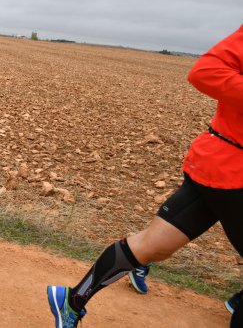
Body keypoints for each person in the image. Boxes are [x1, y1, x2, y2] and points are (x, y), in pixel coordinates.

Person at [46, 25, 243, 328]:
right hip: (231, 166)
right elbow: (204, 71)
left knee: (152, 245)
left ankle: (71, 301)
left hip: (218, 166)